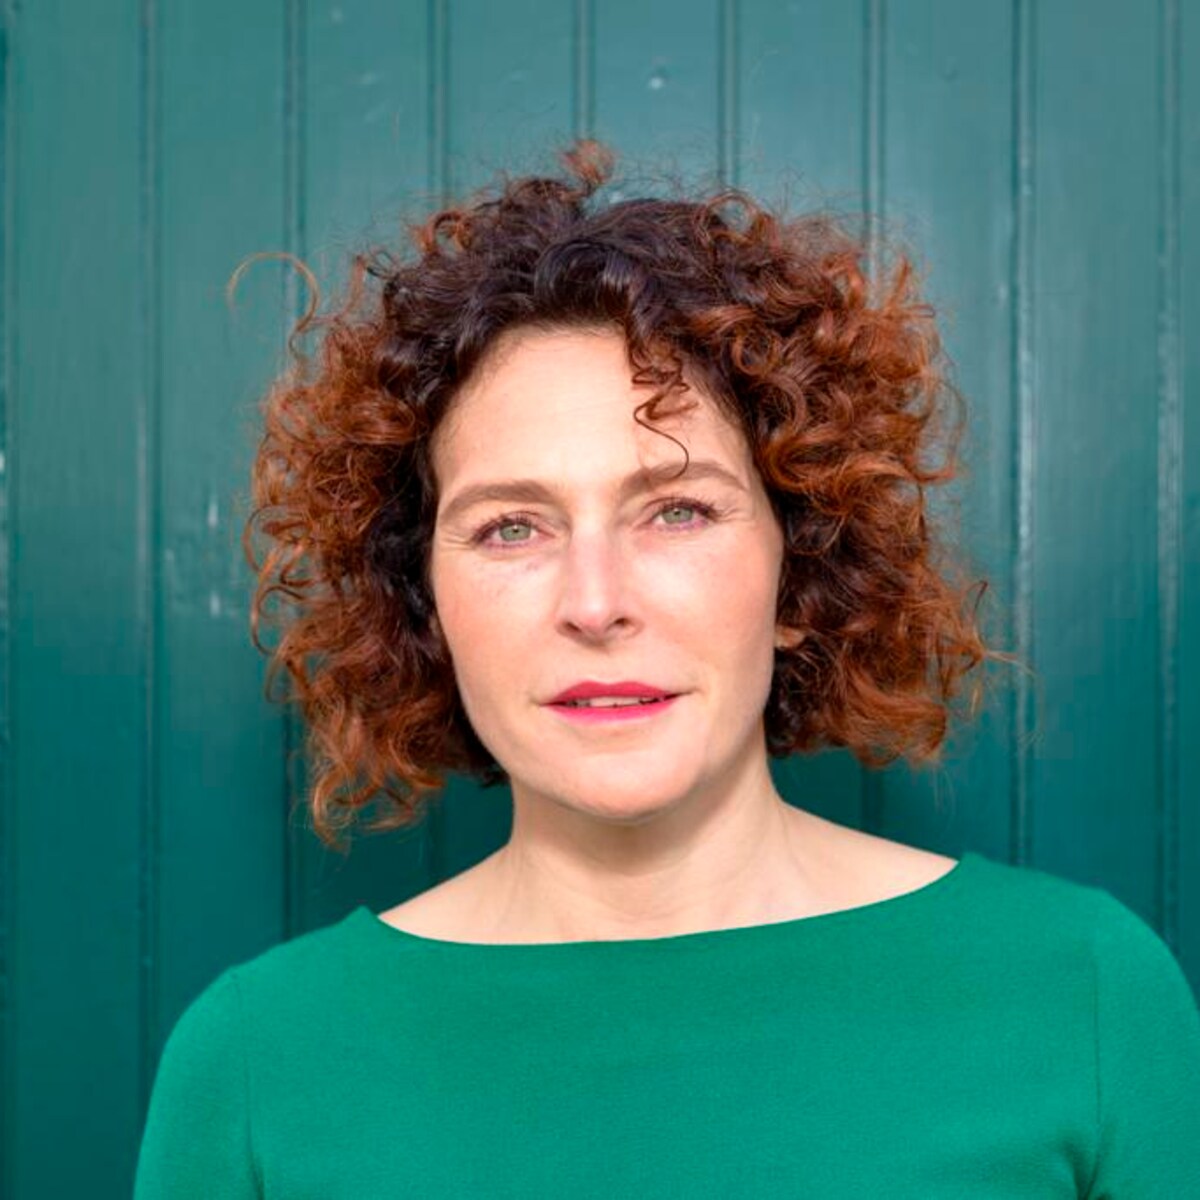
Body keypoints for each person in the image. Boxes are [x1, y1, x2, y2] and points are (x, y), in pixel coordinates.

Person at [134, 141, 1200, 1197]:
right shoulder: (254, 1063)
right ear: (423, 602)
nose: (596, 602)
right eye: (511, 527)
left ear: (800, 572)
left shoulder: (1084, 994)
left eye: (678, 511)